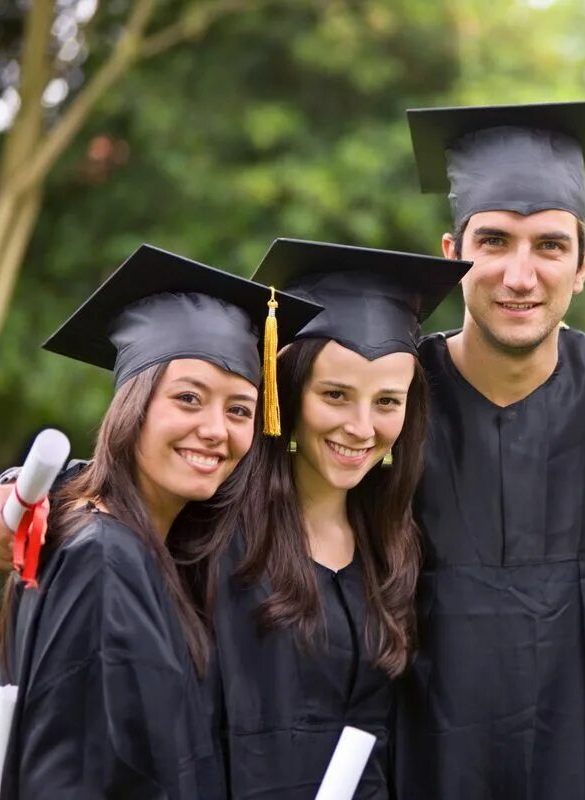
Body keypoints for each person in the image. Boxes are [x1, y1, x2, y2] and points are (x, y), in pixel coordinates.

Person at [396, 100, 585, 798]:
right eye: (493, 241)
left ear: (582, 265)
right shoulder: (392, 401)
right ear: (450, 256)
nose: (520, 276)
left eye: (549, 246)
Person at [0, 245, 318, 799]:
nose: (217, 429)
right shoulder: (103, 558)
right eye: (189, 398)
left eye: (239, 409)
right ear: (132, 406)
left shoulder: (149, 547)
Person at [198, 239, 470, 798]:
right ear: (290, 391)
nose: (362, 427)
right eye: (336, 395)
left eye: (388, 402)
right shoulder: (209, 527)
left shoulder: (394, 545)